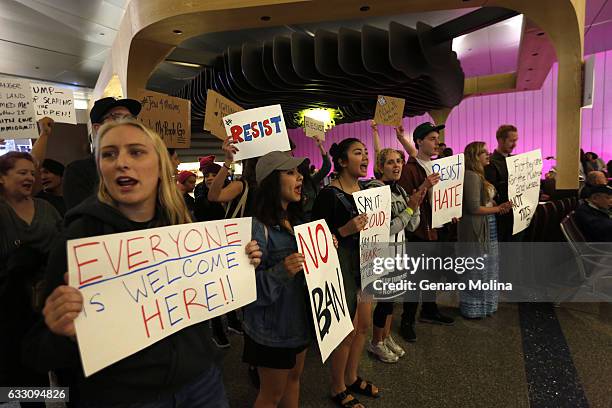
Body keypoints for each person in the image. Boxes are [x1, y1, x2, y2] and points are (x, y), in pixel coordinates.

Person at [24, 119, 262, 407]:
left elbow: (205, 293)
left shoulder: (183, 226)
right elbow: (38, 352)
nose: (121, 162)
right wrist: (60, 330)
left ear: (160, 166)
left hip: (202, 383)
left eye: (136, 152)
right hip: (126, 396)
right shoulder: (78, 240)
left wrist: (241, 261)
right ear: (100, 168)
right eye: (109, 154)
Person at [312, 137, 378, 408]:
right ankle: (337, 386)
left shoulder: (367, 192)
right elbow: (314, 239)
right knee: (347, 332)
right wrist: (343, 231)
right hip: (342, 270)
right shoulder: (328, 195)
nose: (365, 157)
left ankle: (351, 376)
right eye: (357, 152)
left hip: (365, 264)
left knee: (363, 326)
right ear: (341, 161)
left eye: (366, 153)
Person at [242, 151, 311, 407]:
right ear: (272, 181)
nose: (300, 176)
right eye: (290, 172)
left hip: (298, 324)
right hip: (271, 331)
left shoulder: (296, 219)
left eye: (298, 172)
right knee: (271, 395)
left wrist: (325, 249)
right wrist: (283, 270)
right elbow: (247, 290)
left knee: (294, 380)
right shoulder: (257, 228)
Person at [0, 152, 61, 392]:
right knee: (21, 377)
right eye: (22, 172)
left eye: (32, 173)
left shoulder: (46, 208)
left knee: (55, 370)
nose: (30, 177)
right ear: (2, 178)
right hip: (11, 310)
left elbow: (64, 243)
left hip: (50, 302)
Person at [365, 148, 424, 363]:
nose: (397, 165)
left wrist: (415, 206)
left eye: (399, 161)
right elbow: (384, 229)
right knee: (384, 301)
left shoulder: (400, 189)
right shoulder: (374, 189)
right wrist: (408, 210)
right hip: (382, 253)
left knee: (392, 301)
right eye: (390, 162)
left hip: (399, 251)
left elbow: (412, 226)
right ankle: (376, 343)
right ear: (381, 167)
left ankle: (386, 336)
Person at [398, 122, 454, 343]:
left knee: (432, 275)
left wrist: (451, 210)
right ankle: (407, 320)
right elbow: (406, 203)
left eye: (437, 138)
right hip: (420, 232)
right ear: (419, 141)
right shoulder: (410, 169)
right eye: (431, 138)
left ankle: (429, 310)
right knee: (415, 279)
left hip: (437, 229)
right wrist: (424, 185)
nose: (436, 142)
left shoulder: (437, 166)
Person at [458, 142, 513, 319]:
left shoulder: (479, 175)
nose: (488, 154)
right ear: (474, 156)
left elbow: (484, 202)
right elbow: (473, 208)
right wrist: (498, 209)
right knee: (477, 268)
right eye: (483, 152)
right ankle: (474, 308)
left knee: (488, 268)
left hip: (487, 223)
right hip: (477, 226)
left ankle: (486, 305)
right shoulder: (471, 175)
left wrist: (495, 204)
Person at [63, 97, 141, 210]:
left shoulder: (141, 164)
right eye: (117, 117)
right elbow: (82, 219)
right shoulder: (78, 171)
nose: (126, 123)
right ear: (98, 128)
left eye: (130, 118)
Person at [484, 124, 519, 242]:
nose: (515, 144)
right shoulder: (491, 163)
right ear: (500, 140)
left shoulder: (515, 160)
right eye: (511, 141)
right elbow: (491, 193)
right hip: (501, 216)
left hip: (516, 215)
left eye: (516, 140)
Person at [299, 136, 331, 222]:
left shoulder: (312, 180)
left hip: (317, 216)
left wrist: (320, 146)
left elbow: (326, 167)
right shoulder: (295, 183)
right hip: (301, 218)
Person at [194, 155, 226, 222]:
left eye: (214, 175)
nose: (210, 178)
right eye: (207, 176)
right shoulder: (200, 197)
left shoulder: (230, 193)